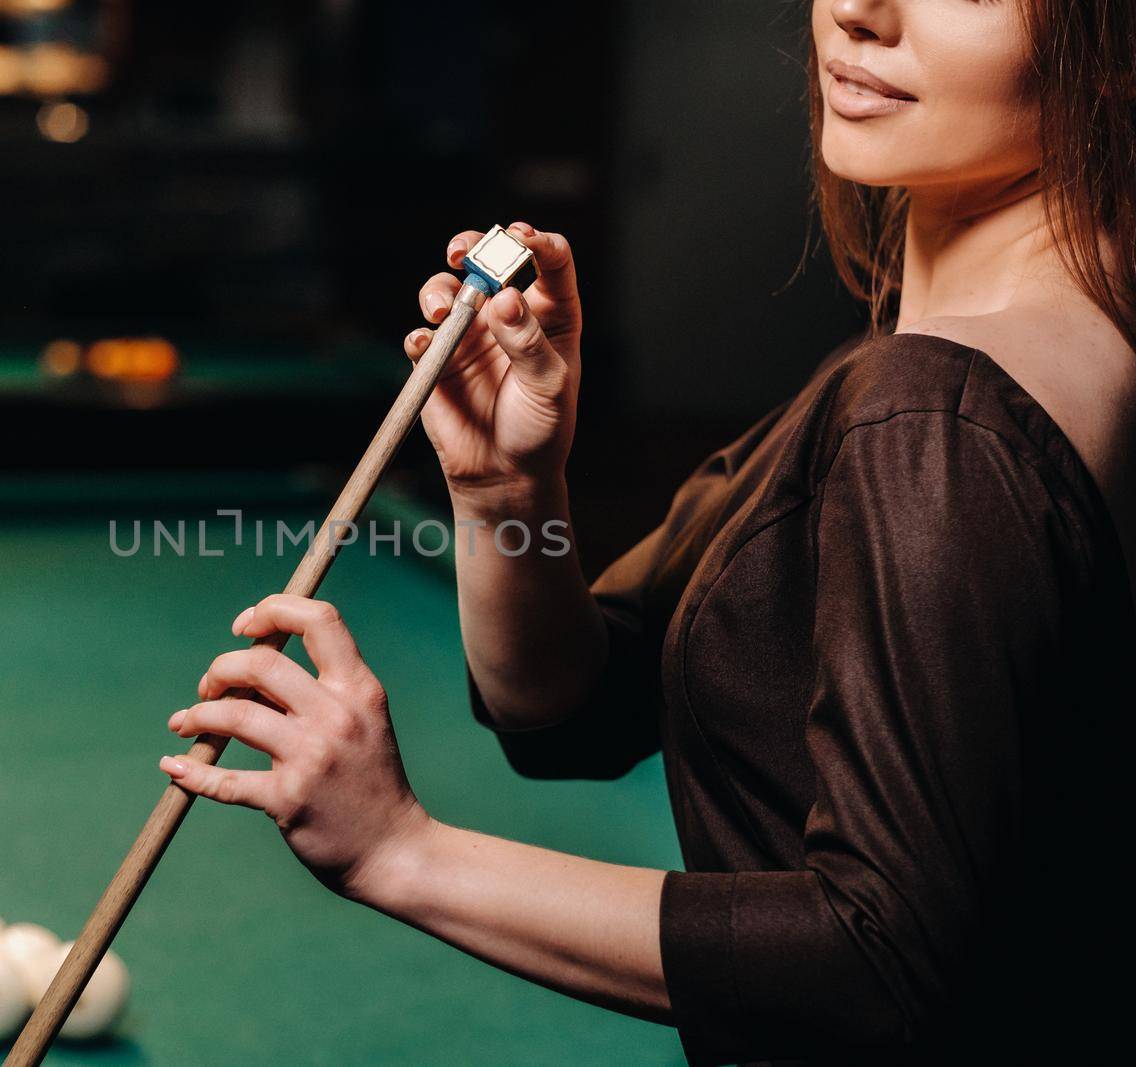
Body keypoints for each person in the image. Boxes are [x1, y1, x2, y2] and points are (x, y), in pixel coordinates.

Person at [159, 1, 1135, 1062]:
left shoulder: (936, 411)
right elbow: (572, 711)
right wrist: (503, 490)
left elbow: (883, 962)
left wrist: (402, 852)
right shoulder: (964, 360)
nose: (860, 10)